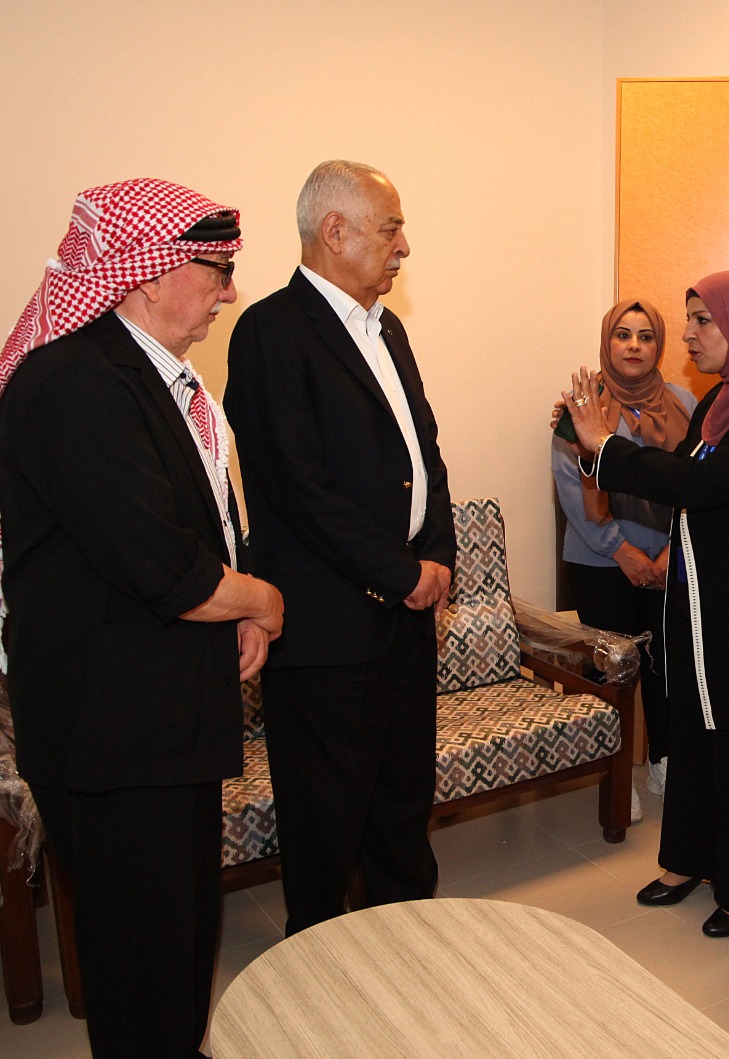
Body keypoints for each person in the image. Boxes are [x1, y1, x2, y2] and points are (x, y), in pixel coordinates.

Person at [0, 178, 284, 1059]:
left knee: (180, 923)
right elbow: (169, 570)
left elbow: (195, 533)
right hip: (109, 735)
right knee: (134, 942)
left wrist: (235, 605)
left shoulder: (140, 375)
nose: (228, 291)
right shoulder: (73, 384)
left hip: (161, 718)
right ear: (144, 275)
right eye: (216, 270)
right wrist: (263, 601)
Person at [559, 270, 729, 937]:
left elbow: (703, 483)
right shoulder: (720, 402)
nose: (688, 334)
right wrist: (600, 447)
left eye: (704, 320)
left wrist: (606, 447)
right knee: (694, 740)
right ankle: (687, 860)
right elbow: (683, 473)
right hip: (702, 609)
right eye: (689, 319)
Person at [225, 160, 454, 936]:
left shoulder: (387, 327)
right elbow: (298, 485)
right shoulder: (270, 332)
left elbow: (424, 453)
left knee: (402, 803)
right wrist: (401, 572)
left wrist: (439, 555)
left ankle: (405, 945)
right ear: (335, 231)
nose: (403, 247)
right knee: (326, 821)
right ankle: (322, 973)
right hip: (326, 627)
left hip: (403, 618)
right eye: (391, 229)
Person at [552, 298, 695, 803]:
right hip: (599, 561)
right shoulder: (582, 403)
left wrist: (671, 551)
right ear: (607, 342)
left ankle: (663, 761)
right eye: (623, 334)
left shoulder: (684, 402)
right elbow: (571, 487)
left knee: (666, 665)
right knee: (607, 668)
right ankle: (612, 779)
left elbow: (696, 480)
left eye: (646, 336)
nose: (634, 345)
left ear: (659, 346)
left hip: (670, 559)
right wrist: (623, 551)